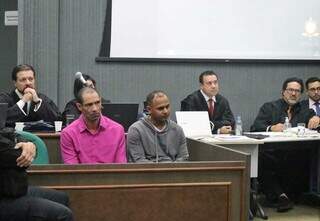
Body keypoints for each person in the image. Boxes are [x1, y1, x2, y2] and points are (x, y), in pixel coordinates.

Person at [250, 77, 318, 212]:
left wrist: (317, 119)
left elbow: (315, 127)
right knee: (262, 160)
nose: (293, 94)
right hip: (272, 152)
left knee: (305, 159)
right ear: (283, 92)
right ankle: (282, 196)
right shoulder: (270, 107)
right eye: (290, 90)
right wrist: (271, 128)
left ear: (301, 94)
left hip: (296, 154)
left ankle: (287, 196)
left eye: (297, 91)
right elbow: (255, 127)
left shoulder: (307, 111)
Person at [0, 127, 73, 221]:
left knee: (61, 197)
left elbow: (12, 134)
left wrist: (27, 144)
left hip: (11, 189)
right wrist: (26, 148)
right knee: (63, 214)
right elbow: (19, 157)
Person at [60, 87, 126, 164]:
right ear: (79, 107)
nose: (94, 109)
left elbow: (120, 168)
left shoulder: (117, 130)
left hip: (111, 176)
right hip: (82, 176)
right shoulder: (68, 134)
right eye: (89, 105)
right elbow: (73, 171)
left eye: (97, 103)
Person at [127, 90, 189, 163]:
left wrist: (170, 170)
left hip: (173, 172)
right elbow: (138, 160)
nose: (165, 111)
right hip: (147, 173)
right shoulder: (136, 130)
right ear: (149, 110)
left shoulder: (177, 129)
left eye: (167, 106)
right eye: (160, 108)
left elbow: (184, 158)